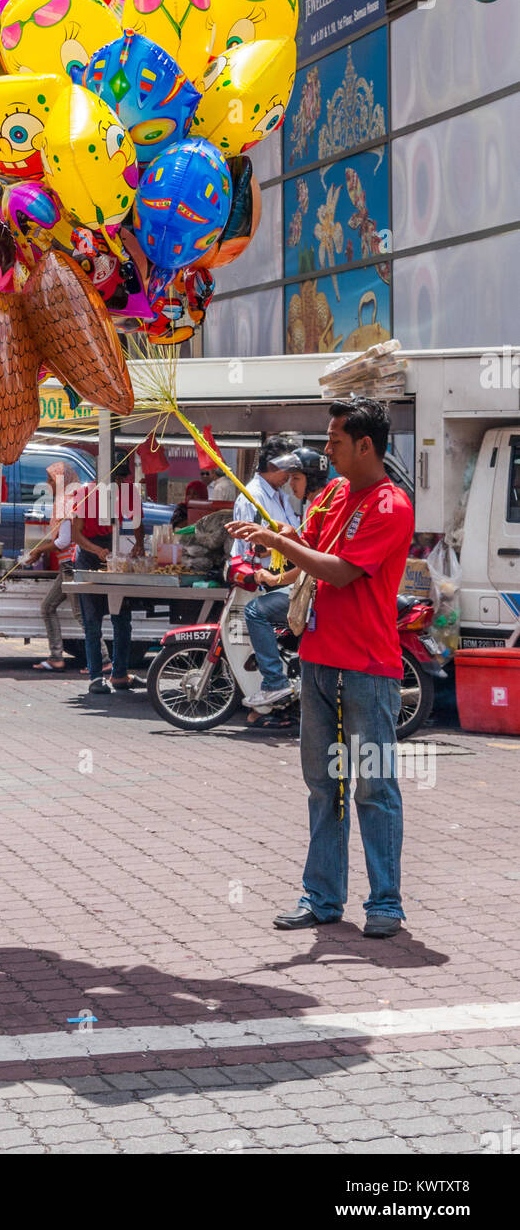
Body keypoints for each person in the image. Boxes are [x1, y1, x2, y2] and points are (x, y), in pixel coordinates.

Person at [226, 398, 414, 939]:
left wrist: (281, 543)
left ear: (365, 445)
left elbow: (341, 571)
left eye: (334, 441)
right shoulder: (332, 493)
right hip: (317, 663)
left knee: (373, 788)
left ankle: (386, 903)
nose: (325, 451)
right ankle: (323, 898)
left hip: (368, 668)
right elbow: (307, 549)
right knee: (323, 786)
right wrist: (269, 556)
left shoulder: (389, 505)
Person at [241, 448, 331, 709]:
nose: (291, 485)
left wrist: (274, 579)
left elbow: (310, 561)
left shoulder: (319, 507)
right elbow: (302, 545)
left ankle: (274, 683)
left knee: (255, 611)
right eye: (290, 478)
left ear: (312, 478)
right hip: (317, 586)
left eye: (297, 479)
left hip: (314, 589)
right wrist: (272, 546)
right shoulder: (318, 504)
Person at [73, 468, 145, 695]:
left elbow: (137, 522)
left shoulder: (128, 492)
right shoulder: (85, 494)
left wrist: (139, 543)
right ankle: (95, 676)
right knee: (93, 623)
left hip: (113, 550)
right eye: (119, 478)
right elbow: (76, 534)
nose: (122, 482)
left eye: (124, 479)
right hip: (88, 553)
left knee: (122, 619)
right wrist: (97, 551)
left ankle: (120, 673)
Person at [21, 462, 81, 672]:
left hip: (71, 566)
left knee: (81, 615)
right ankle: (56, 657)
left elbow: (63, 541)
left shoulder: (66, 502)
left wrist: (38, 550)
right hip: (67, 566)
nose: (48, 484)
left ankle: (104, 660)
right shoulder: (71, 499)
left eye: (50, 479)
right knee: (48, 607)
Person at [230, 436, 300, 567]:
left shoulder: (281, 495)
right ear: (271, 466)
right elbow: (254, 549)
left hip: (282, 577)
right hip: (260, 578)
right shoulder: (253, 497)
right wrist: (291, 547)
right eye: (286, 469)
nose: (289, 475)